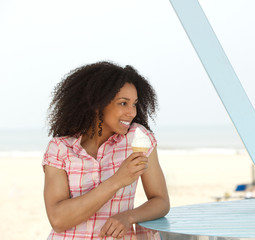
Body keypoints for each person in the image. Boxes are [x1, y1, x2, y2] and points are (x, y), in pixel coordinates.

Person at [42, 61, 170, 240]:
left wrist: (129, 216)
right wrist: (118, 180)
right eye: (123, 103)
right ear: (97, 104)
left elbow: (161, 201)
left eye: (134, 104)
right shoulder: (60, 148)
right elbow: (58, 219)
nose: (132, 112)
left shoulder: (138, 139)